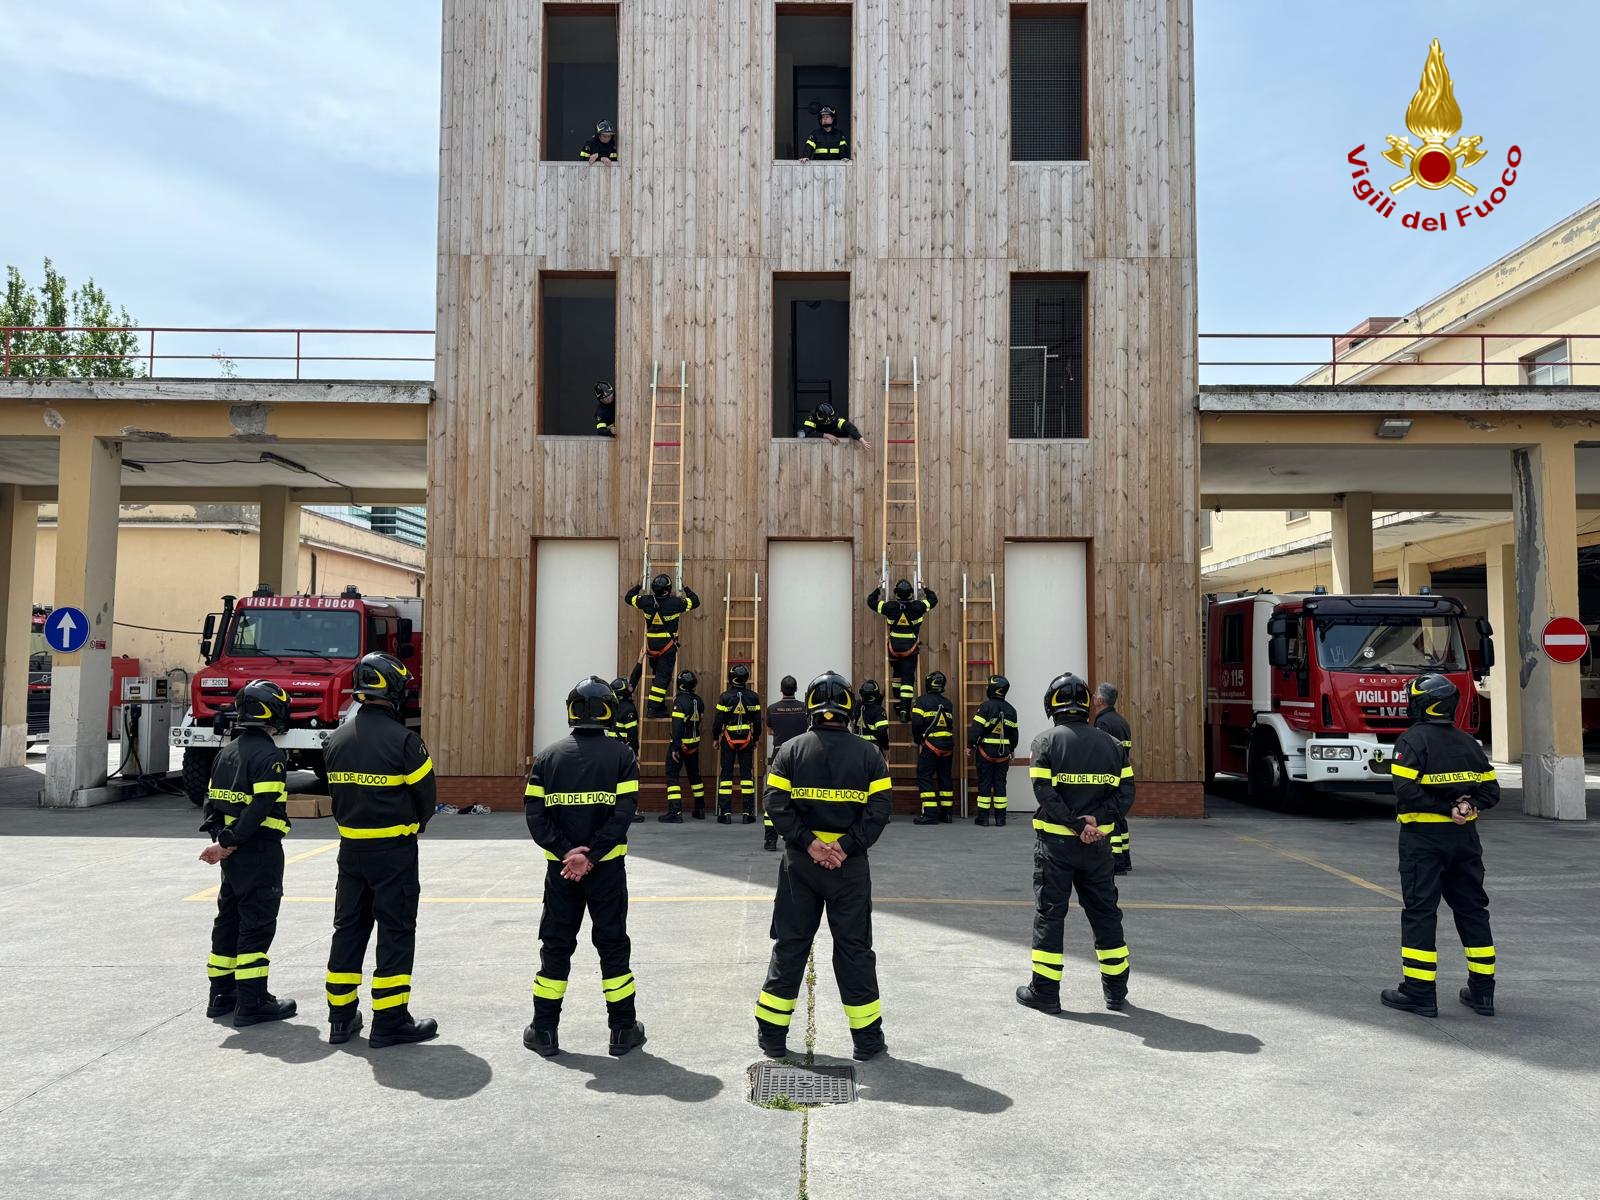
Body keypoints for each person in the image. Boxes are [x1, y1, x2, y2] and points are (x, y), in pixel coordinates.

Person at [756, 672, 892, 1062]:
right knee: (854, 950)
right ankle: (867, 1042)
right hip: (849, 869)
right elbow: (880, 811)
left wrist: (810, 843)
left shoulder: (789, 751)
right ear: (849, 709)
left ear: (811, 706)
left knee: (791, 945)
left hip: (801, 865)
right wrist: (844, 847)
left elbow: (775, 805)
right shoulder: (870, 754)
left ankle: (772, 1038)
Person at [523, 677, 647, 1058]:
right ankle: (622, 1030)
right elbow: (624, 814)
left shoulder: (547, 758)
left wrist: (568, 854)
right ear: (609, 710)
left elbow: (534, 816)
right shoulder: (622, 755)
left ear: (571, 710)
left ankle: (544, 1030)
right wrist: (590, 856)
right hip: (605, 871)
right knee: (612, 945)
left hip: (562, 873)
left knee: (556, 945)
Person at [322, 652, 438, 1048]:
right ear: (394, 691)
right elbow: (426, 799)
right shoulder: (405, 741)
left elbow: (335, 792)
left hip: (350, 851)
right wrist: (414, 826)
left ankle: (340, 1018)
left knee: (348, 930)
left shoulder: (336, 739)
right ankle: (389, 1021)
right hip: (393, 853)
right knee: (395, 931)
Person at [1380, 674, 1500, 1019]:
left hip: (1423, 842)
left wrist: (1444, 808)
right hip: (1465, 843)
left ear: (1421, 704)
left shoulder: (1411, 740)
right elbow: (1491, 792)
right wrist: (1466, 807)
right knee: (1473, 911)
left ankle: (1419, 993)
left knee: (1420, 912)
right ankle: (1483, 992)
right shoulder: (1469, 744)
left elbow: (1405, 791)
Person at [1016, 672, 1132, 1016]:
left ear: (1051, 705)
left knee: (1051, 915)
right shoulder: (1111, 744)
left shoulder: (1045, 742)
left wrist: (1073, 822)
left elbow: (1044, 793)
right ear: (1086, 704)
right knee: (1106, 915)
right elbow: (1126, 793)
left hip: (1056, 847)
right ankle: (1116, 991)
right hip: (1097, 846)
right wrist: (1096, 821)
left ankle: (1046, 993)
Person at [198, 680, 295, 1026]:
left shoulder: (226, 752)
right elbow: (260, 806)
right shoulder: (271, 756)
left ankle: (221, 995)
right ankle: (252, 1001)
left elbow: (211, 802)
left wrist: (221, 842)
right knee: (256, 924)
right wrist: (230, 841)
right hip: (259, 851)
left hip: (233, 856)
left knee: (229, 920)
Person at [625, 575, 701, 717]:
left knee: (657, 676)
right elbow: (695, 601)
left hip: (651, 647)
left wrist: (639, 585)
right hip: (667, 647)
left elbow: (629, 597)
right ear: (668, 589)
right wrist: (685, 587)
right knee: (662, 678)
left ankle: (658, 707)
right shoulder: (675, 603)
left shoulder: (645, 601)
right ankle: (653, 708)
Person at [866, 578, 938, 720]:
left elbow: (871, 602)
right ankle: (904, 710)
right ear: (911, 593)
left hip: (893, 649)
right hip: (910, 650)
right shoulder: (918, 607)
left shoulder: (890, 607)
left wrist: (878, 587)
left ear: (896, 594)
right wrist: (924, 587)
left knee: (897, 675)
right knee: (907, 679)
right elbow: (933, 600)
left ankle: (897, 706)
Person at [1092, 683, 1136, 873]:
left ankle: (1116, 862)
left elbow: (1101, 753)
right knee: (1120, 818)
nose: (1093, 698)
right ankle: (1125, 858)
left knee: (1112, 821)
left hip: (1110, 778)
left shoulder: (1103, 723)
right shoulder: (1121, 721)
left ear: (1101, 700)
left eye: (1095, 695)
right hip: (1123, 775)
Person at [714, 664, 764, 825]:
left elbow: (718, 721)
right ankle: (748, 813)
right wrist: (755, 739)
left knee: (726, 775)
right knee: (746, 776)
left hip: (728, 740)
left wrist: (716, 738)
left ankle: (725, 813)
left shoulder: (724, 697)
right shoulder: (753, 697)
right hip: (746, 740)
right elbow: (757, 723)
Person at [763, 675, 809, 851]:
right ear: (796, 689)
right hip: (800, 754)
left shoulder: (772, 709)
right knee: (802, 794)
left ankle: (770, 840)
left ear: (781, 690)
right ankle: (801, 839)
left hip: (779, 754)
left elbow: (769, 732)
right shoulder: (805, 709)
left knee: (774, 795)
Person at [969, 674, 1019, 827]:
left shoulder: (985, 707)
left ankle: (983, 818)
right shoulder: (1011, 710)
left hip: (985, 754)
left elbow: (976, 730)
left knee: (984, 784)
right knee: (1000, 784)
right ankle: (1000, 819)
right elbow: (1014, 734)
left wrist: (970, 746)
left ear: (992, 689)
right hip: (1003, 755)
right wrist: (1012, 749)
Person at [911, 670, 957, 825]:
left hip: (931, 746)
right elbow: (949, 725)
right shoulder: (948, 704)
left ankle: (930, 814)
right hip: (948, 746)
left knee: (925, 776)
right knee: (945, 778)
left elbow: (917, 723)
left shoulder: (921, 701)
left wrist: (918, 740)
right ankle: (947, 814)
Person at [662, 669, 706, 823]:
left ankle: (675, 812)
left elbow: (677, 726)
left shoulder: (679, 702)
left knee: (672, 776)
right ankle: (700, 809)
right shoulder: (699, 701)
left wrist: (675, 747)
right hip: (694, 745)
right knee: (695, 776)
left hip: (681, 746)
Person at [609, 664, 645, 824]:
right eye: (628, 686)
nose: (631, 686)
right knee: (629, 782)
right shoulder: (629, 710)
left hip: (612, 749)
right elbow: (632, 735)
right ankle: (631, 812)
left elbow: (633, 681)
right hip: (625, 750)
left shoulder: (613, 707)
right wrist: (635, 754)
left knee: (614, 782)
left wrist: (639, 662)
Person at [802, 401, 870, 448]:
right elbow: (808, 433)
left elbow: (848, 426)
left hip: (833, 433)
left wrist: (861, 439)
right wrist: (826, 435)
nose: (829, 422)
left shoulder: (834, 417)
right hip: (819, 434)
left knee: (845, 433)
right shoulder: (812, 418)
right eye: (827, 421)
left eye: (831, 420)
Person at [855, 679, 890, 753]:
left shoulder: (857, 706)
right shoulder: (879, 711)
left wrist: (880, 697)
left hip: (857, 747)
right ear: (876, 694)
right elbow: (882, 732)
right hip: (873, 749)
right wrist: (886, 748)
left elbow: (868, 704)